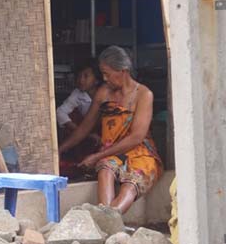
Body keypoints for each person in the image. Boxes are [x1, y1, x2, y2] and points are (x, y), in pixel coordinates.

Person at [59, 45, 163, 213]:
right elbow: (84, 128)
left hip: (141, 153)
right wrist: (60, 149)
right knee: (105, 168)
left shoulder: (144, 94)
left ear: (123, 70)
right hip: (112, 153)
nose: (104, 78)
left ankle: (108, 219)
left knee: (131, 183)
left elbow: (136, 137)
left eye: (107, 74)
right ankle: (107, 218)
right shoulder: (103, 93)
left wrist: (97, 156)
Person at [56, 63, 101, 137]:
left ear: (97, 80)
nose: (81, 80)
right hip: (89, 131)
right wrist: (79, 130)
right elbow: (60, 112)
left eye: (86, 76)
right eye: (79, 76)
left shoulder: (104, 92)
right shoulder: (77, 93)